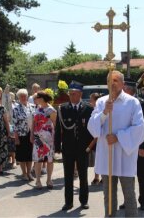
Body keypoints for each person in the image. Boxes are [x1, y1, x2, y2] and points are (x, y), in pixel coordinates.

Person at [87, 70, 144, 217]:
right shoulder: (101, 102)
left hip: (125, 155)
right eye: (109, 81)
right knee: (109, 194)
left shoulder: (132, 102)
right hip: (107, 156)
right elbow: (92, 127)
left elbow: (139, 128)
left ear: (122, 83)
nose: (112, 84)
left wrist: (119, 137)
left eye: (116, 80)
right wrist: (104, 112)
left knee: (129, 194)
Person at [55, 81, 94, 211]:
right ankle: (68, 202)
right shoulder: (63, 108)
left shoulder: (88, 108)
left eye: (74, 94)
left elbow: (91, 130)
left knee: (83, 175)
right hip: (68, 148)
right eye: (70, 94)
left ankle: (84, 201)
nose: (72, 96)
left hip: (83, 148)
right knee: (68, 176)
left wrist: (91, 146)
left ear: (80, 94)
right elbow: (58, 129)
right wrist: (57, 147)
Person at [120, 78, 144, 211]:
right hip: (125, 146)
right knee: (127, 175)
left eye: (124, 88)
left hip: (139, 145)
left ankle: (143, 200)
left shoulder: (142, 104)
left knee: (142, 174)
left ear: (129, 89)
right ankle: (128, 199)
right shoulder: (120, 104)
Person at [30, 91, 57, 189]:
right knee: (38, 160)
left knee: (49, 160)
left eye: (36, 98)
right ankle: (38, 181)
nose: (35, 100)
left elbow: (55, 124)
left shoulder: (51, 110)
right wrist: (32, 135)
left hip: (49, 139)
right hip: (38, 139)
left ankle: (49, 180)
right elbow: (33, 123)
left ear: (41, 98)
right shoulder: (37, 108)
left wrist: (57, 139)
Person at [12, 89, 35, 181]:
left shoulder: (33, 106)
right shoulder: (16, 109)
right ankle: (24, 173)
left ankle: (29, 173)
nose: (23, 97)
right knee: (22, 155)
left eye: (25, 95)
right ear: (18, 98)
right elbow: (15, 124)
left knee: (30, 155)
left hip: (31, 133)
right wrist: (16, 138)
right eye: (21, 96)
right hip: (21, 134)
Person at [87, 93, 102, 185]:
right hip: (94, 139)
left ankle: (103, 177)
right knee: (97, 159)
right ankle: (96, 177)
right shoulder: (92, 110)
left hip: (99, 139)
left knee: (101, 159)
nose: (90, 102)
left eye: (91, 100)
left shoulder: (100, 111)